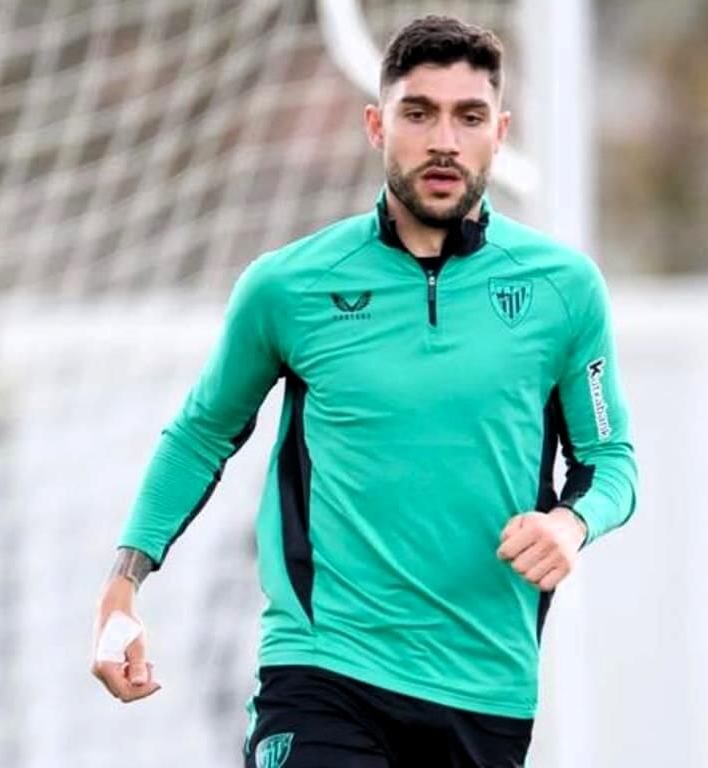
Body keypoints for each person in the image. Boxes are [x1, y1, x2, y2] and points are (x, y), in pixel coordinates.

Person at [90, 14, 637, 768]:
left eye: (468, 116)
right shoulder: (289, 286)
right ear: (377, 125)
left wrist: (570, 526)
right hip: (324, 669)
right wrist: (124, 584)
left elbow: (611, 462)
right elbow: (201, 432)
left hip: (487, 687)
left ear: (499, 131)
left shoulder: (563, 290)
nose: (444, 139)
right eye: (419, 113)